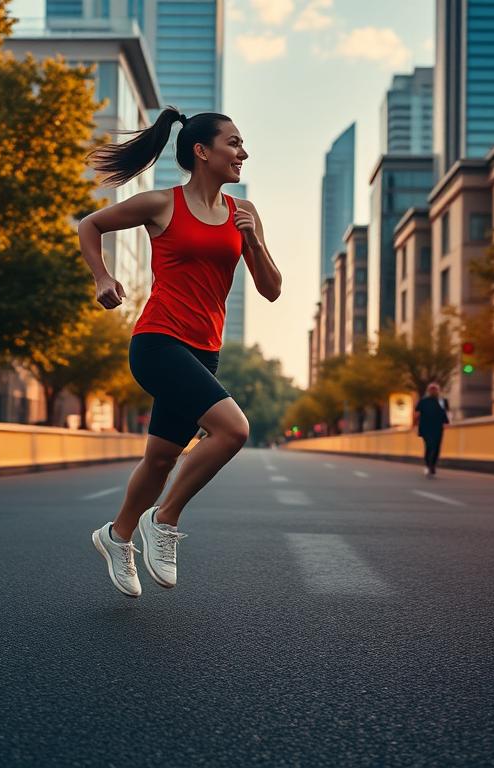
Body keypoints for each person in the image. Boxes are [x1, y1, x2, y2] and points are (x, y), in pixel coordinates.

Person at [80, 107, 282, 597]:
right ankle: (164, 519)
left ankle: (117, 534)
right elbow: (90, 224)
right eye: (233, 143)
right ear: (202, 151)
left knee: (161, 459)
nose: (243, 153)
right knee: (233, 430)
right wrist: (103, 278)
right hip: (157, 341)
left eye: (242, 144)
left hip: (203, 350)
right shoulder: (162, 204)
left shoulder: (242, 215)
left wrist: (252, 239)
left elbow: (272, 290)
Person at [413, 382, 450, 477]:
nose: (433, 391)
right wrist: (414, 425)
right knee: (429, 446)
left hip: (438, 427)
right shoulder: (423, 401)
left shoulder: (442, 401)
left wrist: (447, 423)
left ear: (438, 390)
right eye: (431, 389)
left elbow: (446, 413)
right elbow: (417, 413)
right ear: (429, 391)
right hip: (426, 427)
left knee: (437, 446)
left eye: (435, 389)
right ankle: (428, 464)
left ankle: (432, 465)